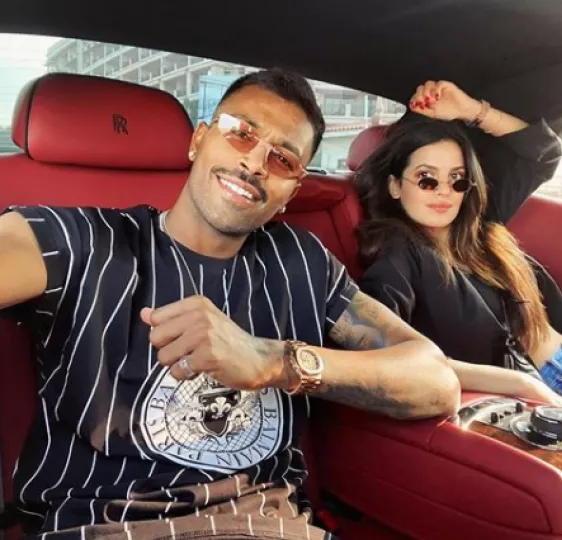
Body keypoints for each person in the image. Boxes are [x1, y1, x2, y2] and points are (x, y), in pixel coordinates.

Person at [0, 69, 461, 540]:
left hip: (275, 528)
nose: (255, 163)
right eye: (240, 133)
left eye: (283, 159)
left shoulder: (301, 262)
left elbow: (435, 380)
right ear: (199, 140)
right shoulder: (79, 239)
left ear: (291, 192)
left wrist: (276, 363)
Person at [355, 79, 562, 492]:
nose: (444, 193)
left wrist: (471, 110)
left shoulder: (476, 225)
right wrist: (518, 384)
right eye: (427, 179)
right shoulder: (398, 255)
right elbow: (388, 360)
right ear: (396, 185)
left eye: (457, 179)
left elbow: (543, 152)